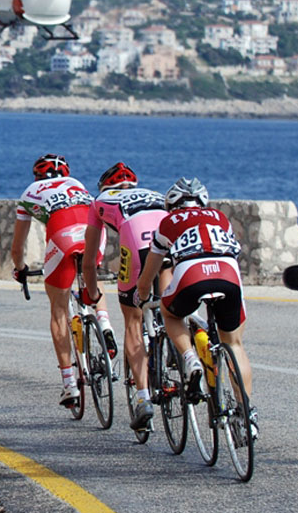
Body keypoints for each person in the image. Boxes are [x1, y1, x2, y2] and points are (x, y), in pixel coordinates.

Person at [134, 177, 256, 437]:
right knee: (234, 344)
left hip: (191, 273)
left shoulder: (167, 222)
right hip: (228, 273)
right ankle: (247, 415)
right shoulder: (219, 217)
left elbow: (151, 270)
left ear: (171, 204)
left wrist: (142, 294)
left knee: (170, 313)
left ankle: (191, 361)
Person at [10, 154, 116, 408]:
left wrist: (20, 269)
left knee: (58, 310)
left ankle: (69, 384)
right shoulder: (77, 183)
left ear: (37, 176)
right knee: (92, 271)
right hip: (94, 232)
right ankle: (105, 326)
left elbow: (17, 247)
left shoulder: (30, 192)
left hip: (62, 235)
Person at [82, 162, 168, 430]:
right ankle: (182, 354)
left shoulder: (100, 202)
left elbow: (89, 260)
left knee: (133, 319)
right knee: (169, 309)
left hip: (137, 243)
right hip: (168, 244)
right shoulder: (155, 195)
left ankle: (143, 399)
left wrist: (93, 292)